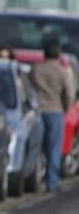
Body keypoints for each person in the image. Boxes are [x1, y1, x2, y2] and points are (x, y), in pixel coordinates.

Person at [30, 39, 74, 193]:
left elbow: (30, 88)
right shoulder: (62, 71)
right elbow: (69, 93)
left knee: (36, 147)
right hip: (56, 110)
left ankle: (32, 179)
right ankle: (52, 182)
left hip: (38, 110)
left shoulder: (36, 69)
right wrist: (66, 108)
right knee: (54, 148)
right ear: (58, 54)